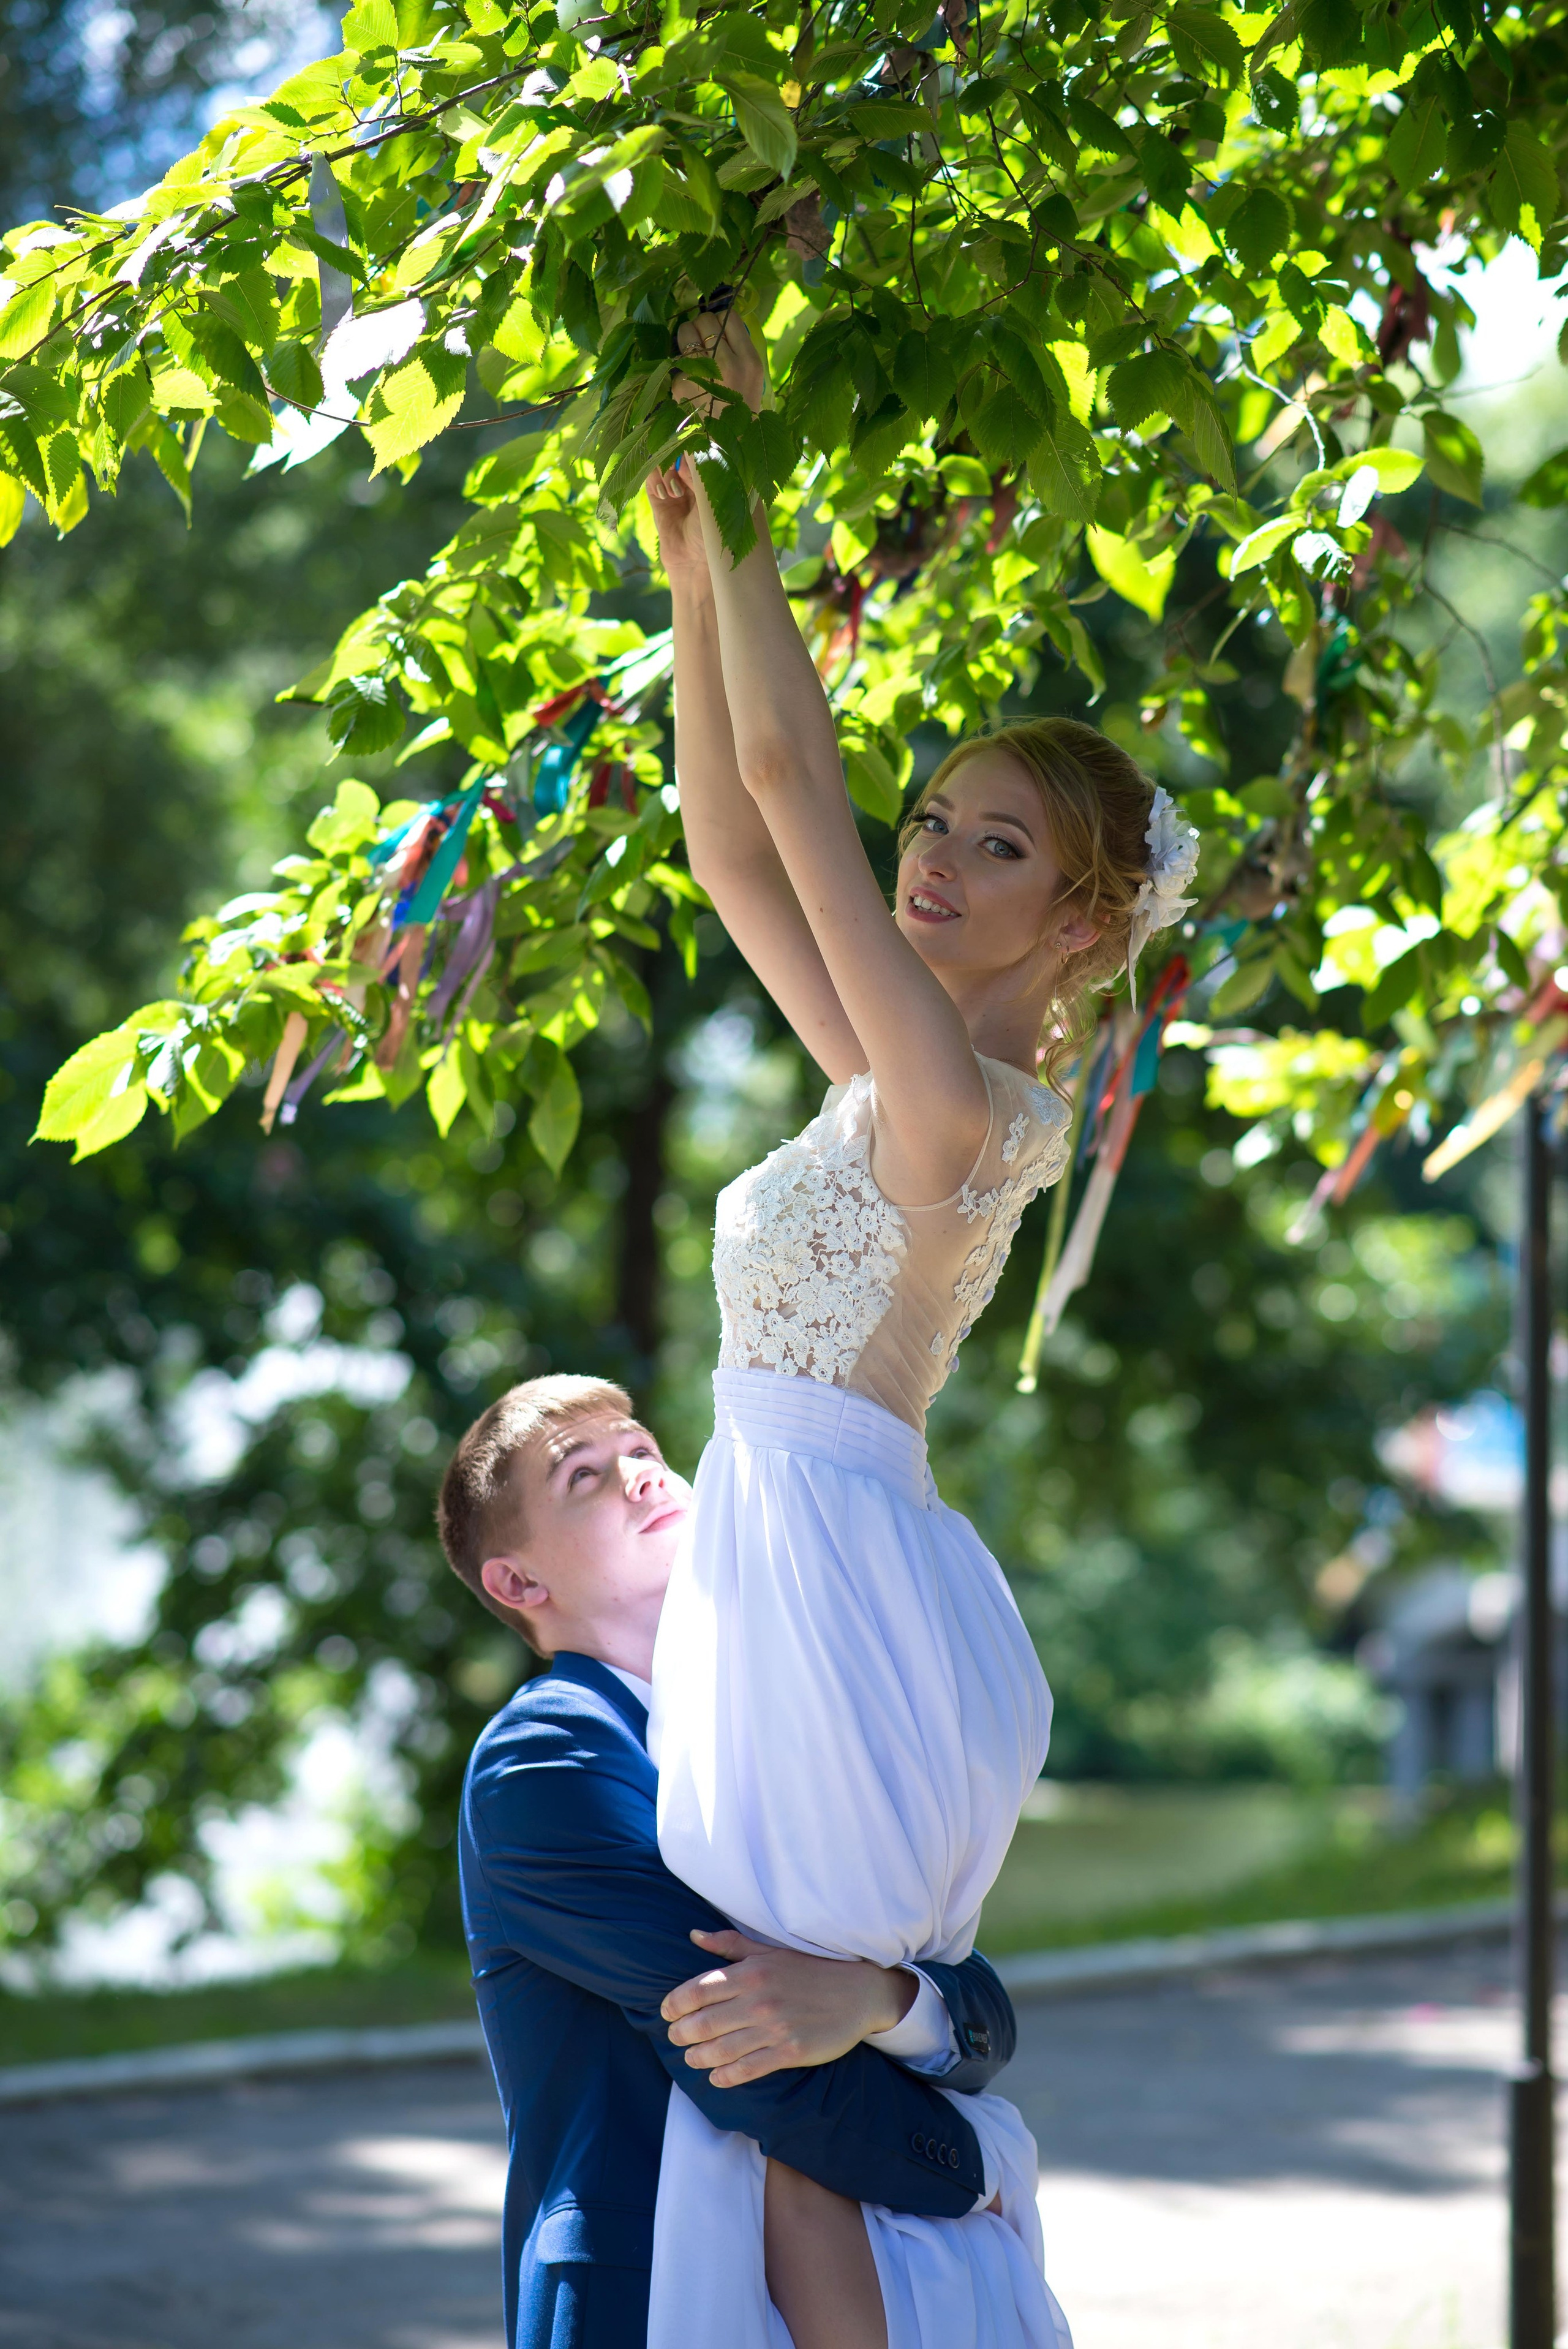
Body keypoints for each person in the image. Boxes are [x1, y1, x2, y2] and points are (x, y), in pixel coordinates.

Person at [639, 312, 1198, 2349]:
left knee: (798, 2098)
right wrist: (693, 561)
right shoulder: (905, 1086)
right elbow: (731, 837)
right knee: (788, 2101)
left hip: (830, 1576)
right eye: (936, 819)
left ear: (1082, 919)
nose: (933, 858)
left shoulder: (961, 1107)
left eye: (995, 843)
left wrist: (755, 466)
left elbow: (793, 777)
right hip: (804, 1556)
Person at [436, 1372, 1021, 2349]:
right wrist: (979, 2161)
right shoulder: (547, 1759)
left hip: (868, 2264)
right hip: (660, 2293)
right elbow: (749, 2053)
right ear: (519, 1583)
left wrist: (882, 2000)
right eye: (583, 1475)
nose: (639, 1474)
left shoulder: (783, 1720)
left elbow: (970, 2000)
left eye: (642, 1450)